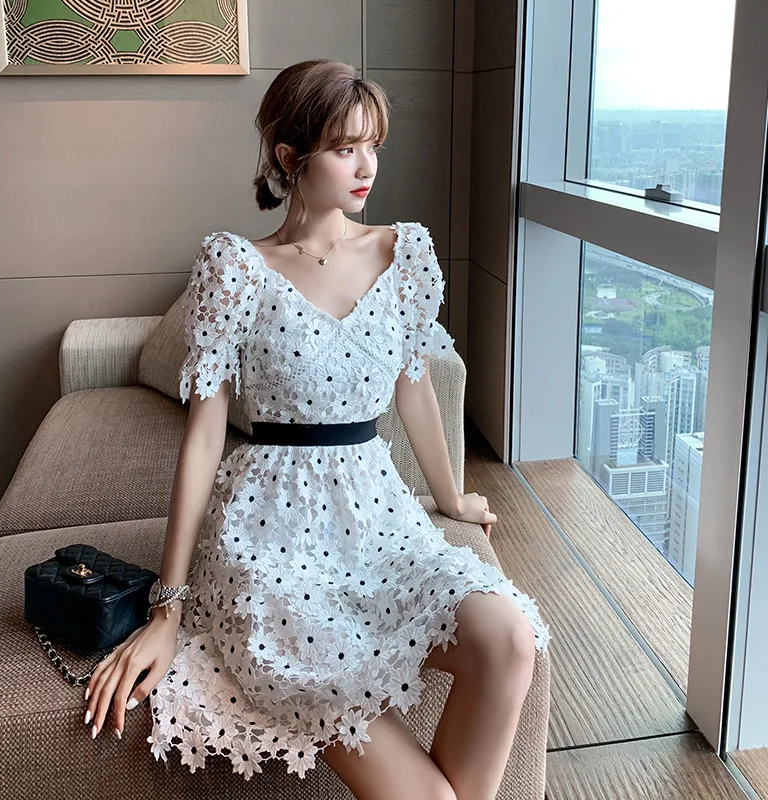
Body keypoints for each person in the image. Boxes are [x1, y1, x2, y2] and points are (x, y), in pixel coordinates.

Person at [82, 59, 551, 800]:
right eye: (345, 148)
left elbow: (415, 390)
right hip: (272, 538)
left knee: (510, 637)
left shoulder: (403, 253)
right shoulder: (237, 266)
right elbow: (204, 436)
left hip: (378, 520)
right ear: (289, 156)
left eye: (373, 146)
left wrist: (453, 499)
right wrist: (168, 610)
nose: (367, 167)